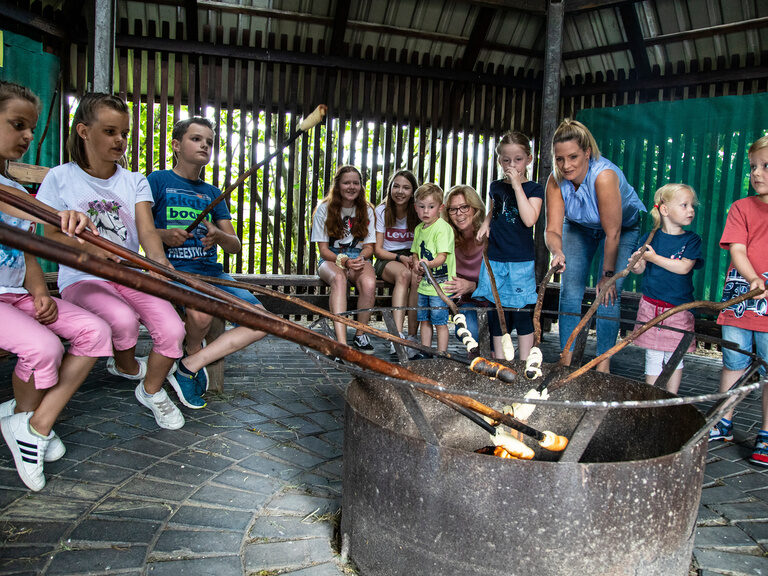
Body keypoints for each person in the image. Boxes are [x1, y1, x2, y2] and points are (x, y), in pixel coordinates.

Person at [37, 93, 187, 430]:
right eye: (109, 131)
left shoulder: (135, 180)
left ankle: (150, 390)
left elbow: (148, 233)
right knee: (122, 321)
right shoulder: (59, 178)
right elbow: (46, 236)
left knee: (173, 330)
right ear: (83, 131)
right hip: (82, 276)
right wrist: (93, 250)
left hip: (130, 272)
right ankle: (128, 367)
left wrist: (160, 266)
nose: (119, 140)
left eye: (124, 133)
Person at [0, 81, 112, 491]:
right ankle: (27, 426)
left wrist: (40, 291)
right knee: (45, 348)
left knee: (95, 331)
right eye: (17, 125)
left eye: (31, 128)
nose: (28, 136)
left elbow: (30, 248)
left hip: (16, 295)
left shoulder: (14, 190)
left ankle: (31, 425)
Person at [148, 117, 267, 407]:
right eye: (196, 139)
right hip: (174, 271)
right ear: (176, 145)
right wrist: (165, 234)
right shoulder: (158, 181)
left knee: (264, 320)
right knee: (201, 316)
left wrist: (217, 234)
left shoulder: (213, 193)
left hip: (211, 273)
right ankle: (191, 353)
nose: (204, 145)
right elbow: (142, 231)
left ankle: (189, 364)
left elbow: (235, 245)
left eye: (209, 142)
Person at [545, 119, 646, 372]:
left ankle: (603, 364)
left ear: (587, 152)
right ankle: (567, 359)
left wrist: (607, 275)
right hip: (580, 227)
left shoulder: (603, 176)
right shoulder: (556, 181)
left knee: (608, 293)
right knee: (570, 291)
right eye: (559, 159)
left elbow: (613, 233)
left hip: (620, 230)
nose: (566, 165)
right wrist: (557, 252)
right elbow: (553, 230)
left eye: (573, 157)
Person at [709, 135, 768, 467]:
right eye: (753, 167)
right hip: (741, 299)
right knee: (733, 363)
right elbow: (737, 248)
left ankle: (766, 433)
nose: (757, 173)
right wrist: (752, 279)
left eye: (766, 166)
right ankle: (724, 420)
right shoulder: (741, 208)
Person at [474, 132, 544, 361]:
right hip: (495, 258)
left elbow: (529, 219)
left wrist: (516, 186)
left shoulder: (534, 189)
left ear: (529, 159)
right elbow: (494, 210)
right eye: (506, 160)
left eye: (518, 159)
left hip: (520, 261)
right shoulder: (495, 186)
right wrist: (485, 224)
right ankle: (501, 361)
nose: (511, 165)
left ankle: (524, 362)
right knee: (496, 310)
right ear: (499, 160)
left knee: (523, 311)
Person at [628, 184, 702, 394]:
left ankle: (669, 397)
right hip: (651, 306)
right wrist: (636, 263)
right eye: (685, 205)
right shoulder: (651, 237)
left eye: (692, 206)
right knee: (653, 355)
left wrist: (653, 258)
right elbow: (639, 269)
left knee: (674, 357)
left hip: (678, 309)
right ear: (665, 210)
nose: (691, 210)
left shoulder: (691, 240)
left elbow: (684, 267)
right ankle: (651, 397)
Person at [311, 165, 377, 351]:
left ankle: (360, 334)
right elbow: (323, 250)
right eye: (346, 182)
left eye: (356, 183)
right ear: (338, 185)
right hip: (332, 257)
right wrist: (344, 261)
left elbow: (369, 247)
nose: (351, 187)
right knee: (339, 279)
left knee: (369, 283)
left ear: (361, 186)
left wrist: (359, 259)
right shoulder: (324, 209)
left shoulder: (367, 210)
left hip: (358, 257)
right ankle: (341, 343)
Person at [373, 169, 420, 355]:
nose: (400, 191)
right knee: (404, 275)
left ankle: (412, 337)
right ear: (390, 188)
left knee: (416, 278)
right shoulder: (382, 210)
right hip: (388, 257)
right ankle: (396, 336)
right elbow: (378, 250)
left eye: (406, 188)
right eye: (396, 186)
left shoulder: (418, 211)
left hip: (412, 255)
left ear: (413, 191)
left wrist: (414, 258)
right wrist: (400, 258)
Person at [411, 183, 455, 354]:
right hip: (424, 287)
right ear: (416, 208)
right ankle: (426, 351)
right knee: (424, 320)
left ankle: (441, 354)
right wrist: (416, 263)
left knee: (440, 322)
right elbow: (415, 252)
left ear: (440, 207)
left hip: (440, 288)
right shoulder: (418, 229)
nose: (426, 211)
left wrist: (427, 264)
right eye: (421, 207)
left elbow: (442, 257)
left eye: (431, 207)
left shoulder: (442, 229)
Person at [442, 185, 486, 350]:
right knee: (468, 329)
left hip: (493, 304)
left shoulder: (490, 236)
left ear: (475, 208)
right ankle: (475, 356)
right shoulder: (448, 239)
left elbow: (502, 280)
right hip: (467, 303)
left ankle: (492, 356)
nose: (459, 214)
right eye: (453, 209)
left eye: (464, 207)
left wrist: (473, 286)